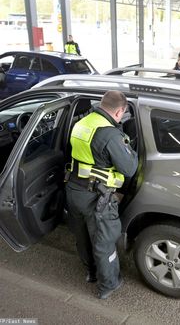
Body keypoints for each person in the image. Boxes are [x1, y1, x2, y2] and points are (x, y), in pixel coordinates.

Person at [65, 90, 138, 299]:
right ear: (120, 111)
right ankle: (108, 285)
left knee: (83, 237)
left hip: (73, 190)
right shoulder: (110, 135)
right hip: (97, 197)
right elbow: (130, 168)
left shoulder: (82, 123)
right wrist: (127, 145)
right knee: (104, 242)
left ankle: (91, 272)